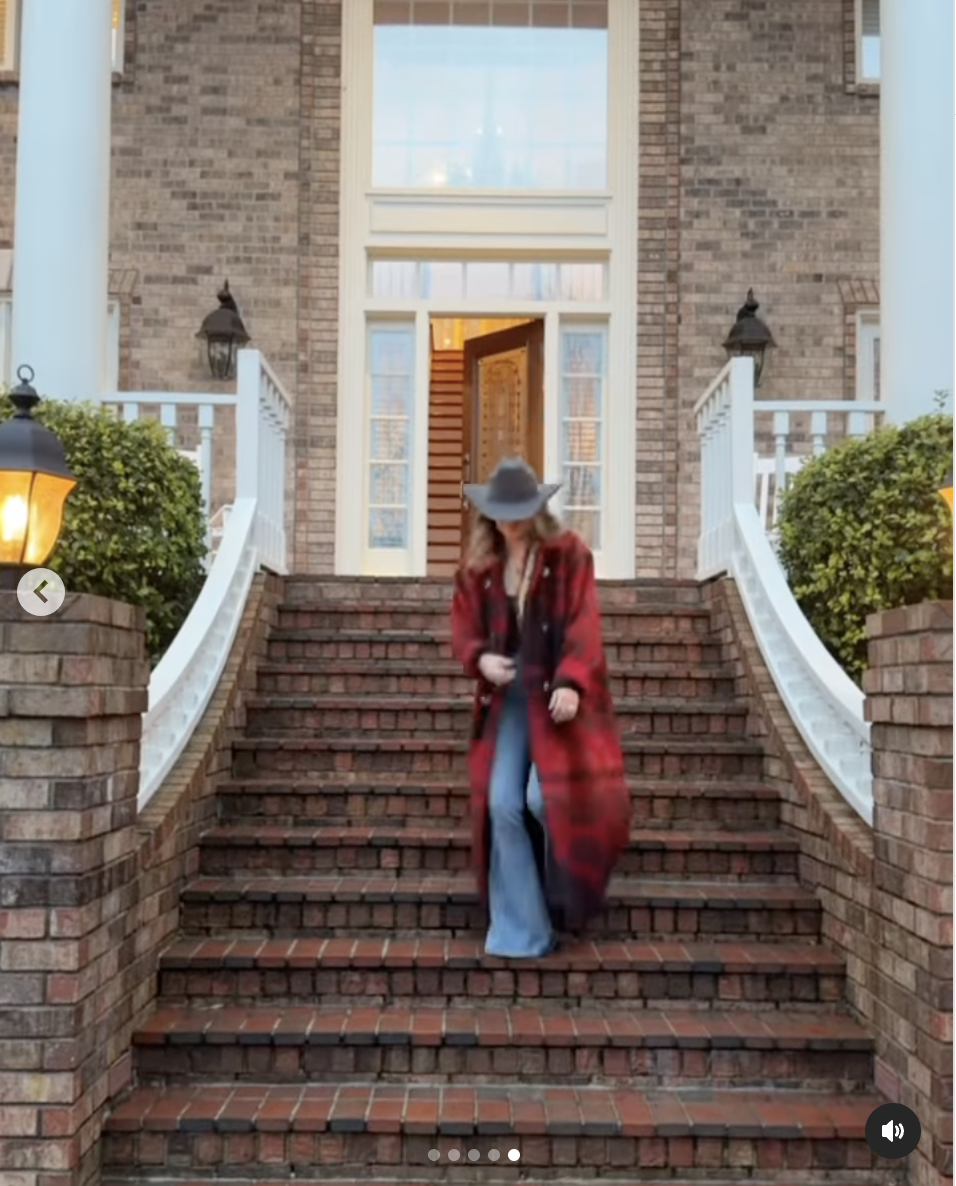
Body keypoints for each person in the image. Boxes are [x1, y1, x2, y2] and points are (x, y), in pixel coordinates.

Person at [451, 456, 631, 959]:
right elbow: (463, 629)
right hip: (507, 701)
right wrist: (480, 659)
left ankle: (564, 898)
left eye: (520, 510)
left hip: (557, 699)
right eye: (502, 512)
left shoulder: (569, 554)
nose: (511, 522)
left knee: (541, 799)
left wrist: (573, 682)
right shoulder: (480, 566)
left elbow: (583, 623)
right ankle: (524, 929)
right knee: (503, 803)